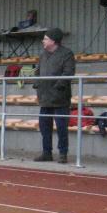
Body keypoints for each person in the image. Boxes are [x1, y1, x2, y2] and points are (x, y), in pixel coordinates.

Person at [33, 28, 75, 163]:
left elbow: (68, 72)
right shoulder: (43, 55)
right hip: (44, 97)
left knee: (61, 127)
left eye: (45, 39)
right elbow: (37, 71)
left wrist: (58, 86)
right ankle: (47, 152)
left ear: (53, 41)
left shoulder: (67, 53)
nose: (43, 41)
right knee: (44, 127)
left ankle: (63, 153)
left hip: (60, 98)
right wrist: (37, 84)